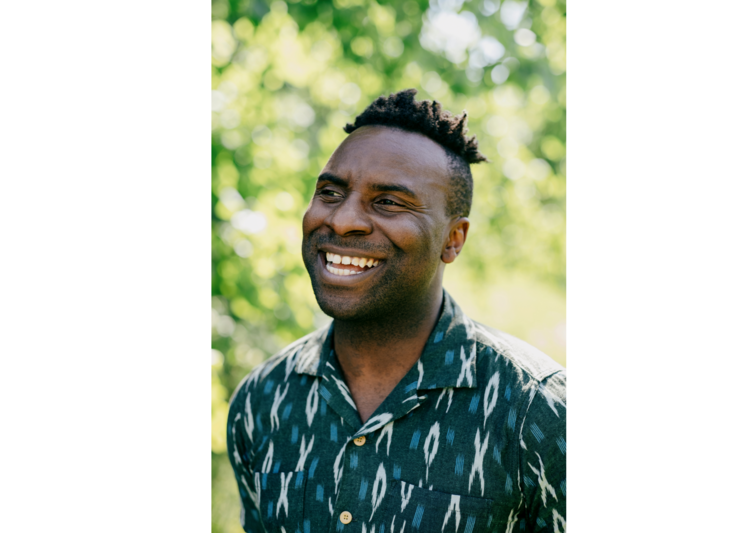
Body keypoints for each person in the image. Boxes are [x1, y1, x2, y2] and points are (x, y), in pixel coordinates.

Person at [226, 89, 566, 533]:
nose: (343, 220)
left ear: (453, 239)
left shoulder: (536, 410)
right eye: (330, 192)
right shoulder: (262, 400)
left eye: (388, 202)